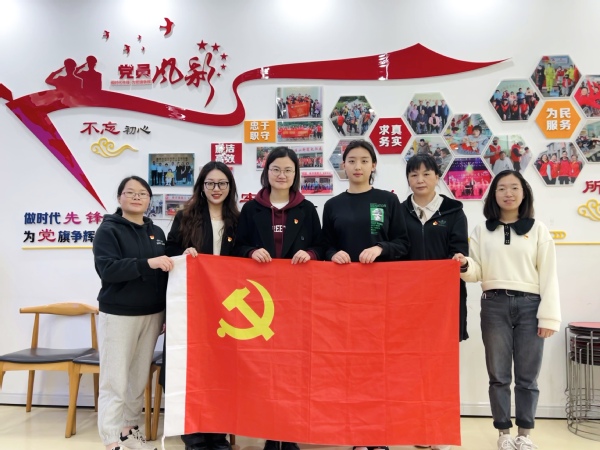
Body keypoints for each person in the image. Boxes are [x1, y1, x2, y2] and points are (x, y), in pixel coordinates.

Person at [453, 170, 560, 450]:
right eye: (501, 188)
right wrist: (464, 265)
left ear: (524, 193)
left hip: (530, 306)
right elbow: (477, 272)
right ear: (494, 195)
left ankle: (525, 434)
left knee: (527, 377)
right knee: (498, 375)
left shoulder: (538, 230)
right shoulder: (482, 230)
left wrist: (549, 316)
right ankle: (504, 433)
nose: (508, 193)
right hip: (494, 305)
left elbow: (549, 275)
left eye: (514, 188)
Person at [321, 140, 409, 450]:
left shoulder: (388, 200)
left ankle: (378, 432)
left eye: (363, 160)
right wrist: (333, 254)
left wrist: (381, 248)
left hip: (381, 297)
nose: (357, 166)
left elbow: (403, 244)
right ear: (343, 166)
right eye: (351, 161)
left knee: (380, 366)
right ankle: (358, 433)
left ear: (373, 165)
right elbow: (324, 246)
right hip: (344, 299)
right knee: (351, 366)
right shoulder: (333, 205)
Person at [234, 146, 323, 450]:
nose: (281, 175)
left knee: (294, 368)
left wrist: (310, 254)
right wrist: (250, 251)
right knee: (267, 370)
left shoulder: (307, 209)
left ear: (295, 174)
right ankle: (272, 434)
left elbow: (321, 246)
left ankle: (291, 433)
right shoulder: (251, 209)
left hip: (297, 300)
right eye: (276, 169)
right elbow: (237, 246)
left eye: (288, 170)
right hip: (261, 301)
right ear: (267, 172)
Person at [93, 175, 173, 450]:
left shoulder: (157, 232)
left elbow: (166, 274)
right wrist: (146, 263)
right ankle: (111, 439)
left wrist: (165, 314)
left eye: (142, 193)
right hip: (119, 315)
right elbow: (108, 270)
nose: (137, 197)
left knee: (138, 379)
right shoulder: (108, 230)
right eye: (130, 192)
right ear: (119, 198)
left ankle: (128, 432)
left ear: (149, 199)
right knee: (114, 380)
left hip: (152, 315)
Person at [164, 161, 239, 450]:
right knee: (192, 371)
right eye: (210, 183)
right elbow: (169, 251)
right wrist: (183, 254)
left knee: (221, 373)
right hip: (192, 307)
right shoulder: (185, 217)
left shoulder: (237, 219)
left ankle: (218, 437)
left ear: (230, 187)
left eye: (222, 183)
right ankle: (194, 439)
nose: (216, 189)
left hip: (226, 309)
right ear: (201, 186)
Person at [402, 155, 468, 450]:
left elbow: (460, 250)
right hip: (407, 304)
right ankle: (417, 427)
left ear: (437, 177)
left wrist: (460, 260)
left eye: (426, 174)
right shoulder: (399, 211)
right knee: (411, 367)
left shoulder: (454, 211)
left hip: (443, 303)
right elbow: (396, 250)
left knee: (440, 367)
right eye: (414, 174)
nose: (420, 180)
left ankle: (438, 430)